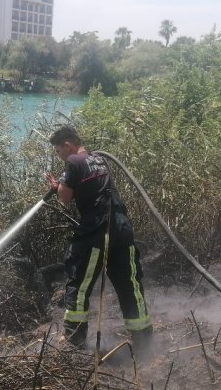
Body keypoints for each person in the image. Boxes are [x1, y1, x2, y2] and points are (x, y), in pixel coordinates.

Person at [45, 126, 152, 350]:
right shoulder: (99, 159)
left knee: (80, 284)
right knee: (129, 284)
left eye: (58, 151)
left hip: (96, 230)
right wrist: (63, 185)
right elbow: (93, 187)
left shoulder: (74, 161)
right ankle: (143, 343)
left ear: (67, 144)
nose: (60, 156)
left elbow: (65, 198)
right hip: (121, 228)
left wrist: (57, 188)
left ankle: (74, 342)